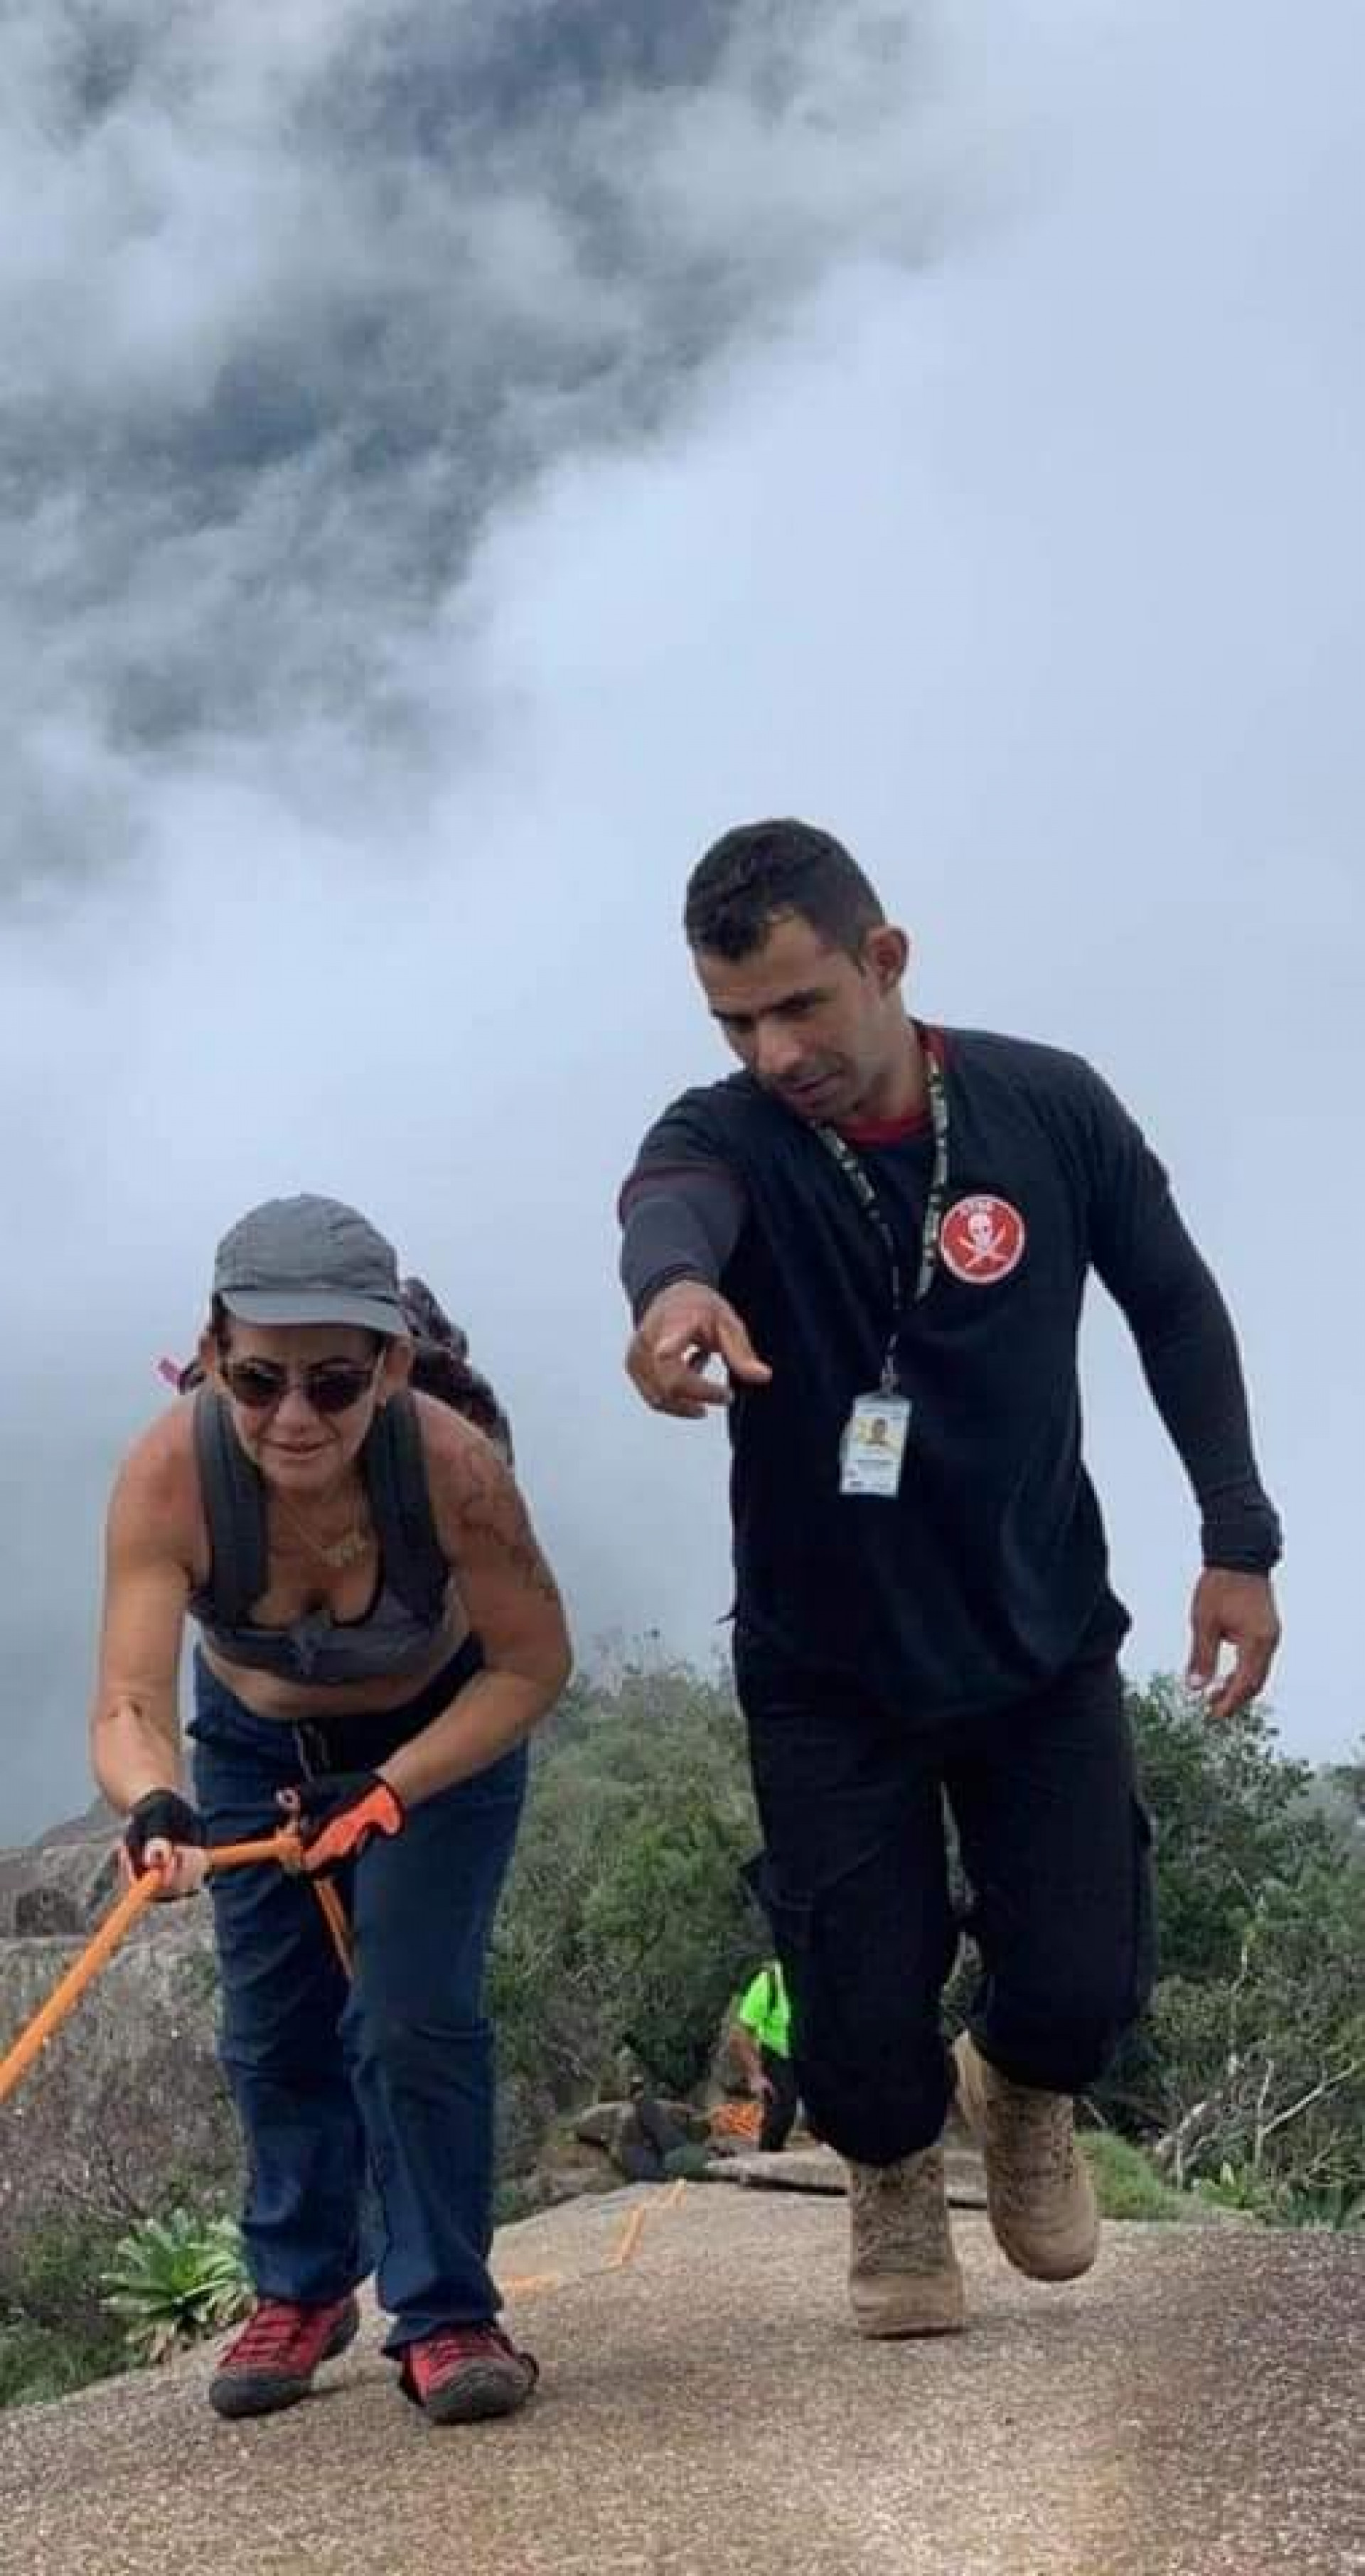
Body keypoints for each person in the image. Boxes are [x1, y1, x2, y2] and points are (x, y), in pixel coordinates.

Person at [618, 819, 1281, 2339]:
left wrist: (1237, 1539)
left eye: (800, 1005)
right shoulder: (726, 1134)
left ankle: (1020, 2095)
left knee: (1081, 1978)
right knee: (852, 1998)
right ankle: (896, 2177)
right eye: (737, 1020)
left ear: (886, 960)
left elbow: (1174, 1307)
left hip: (1036, 1628)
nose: (775, 1051)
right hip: (827, 1659)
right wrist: (676, 1303)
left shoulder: (1046, 1106)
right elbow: (669, 1218)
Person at [91, 1194, 571, 2422]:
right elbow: (129, 1700)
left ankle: (449, 2310)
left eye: (335, 1381)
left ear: (393, 1367)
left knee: (409, 2008)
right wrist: (156, 1801)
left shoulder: (455, 1470)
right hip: (256, 1742)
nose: (294, 1415)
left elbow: (532, 1665)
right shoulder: (169, 1476)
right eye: (258, 1380)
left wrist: (396, 1781)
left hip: (438, 1736)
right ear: (212, 1351)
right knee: (273, 2022)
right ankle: (302, 2286)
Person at [729, 1959, 800, 2152]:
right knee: (781, 2114)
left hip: (813, 2056)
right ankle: (767, 2162)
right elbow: (740, 2033)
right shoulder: (770, 1981)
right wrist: (755, 2076)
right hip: (779, 2055)